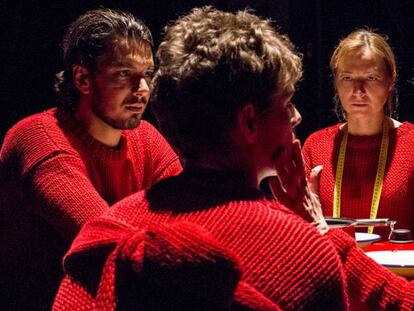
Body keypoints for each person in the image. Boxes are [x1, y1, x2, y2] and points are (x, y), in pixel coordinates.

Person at [54, 7, 414, 311]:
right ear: (249, 121)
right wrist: (321, 235)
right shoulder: (301, 252)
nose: (297, 117)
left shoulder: (108, 232)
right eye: (286, 103)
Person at [0, 8, 182, 309]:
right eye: (124, 74)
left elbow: (196, 216)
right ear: (82, 79)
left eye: (147, 74)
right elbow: (110, 244)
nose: (143, 89)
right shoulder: (39, 139)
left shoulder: (145, 138)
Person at [303, 30, 414, 240]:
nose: (358, 91)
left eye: (371, 78)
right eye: (347, 78)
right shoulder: (315, 146)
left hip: (399, 271)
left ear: (391, 80)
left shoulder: (411, 145)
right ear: (336, 82)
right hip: (332, 270)